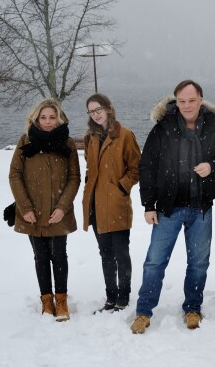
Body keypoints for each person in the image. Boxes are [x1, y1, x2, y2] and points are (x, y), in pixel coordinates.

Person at [130, 80, 215, 333]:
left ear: (201, 100)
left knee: (199, 263)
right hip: (168, 209)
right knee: (155, 263)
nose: (187, 105)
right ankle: (144, 312)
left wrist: (213, 166)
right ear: (175, 102)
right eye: (182, 101)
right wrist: (148, 204)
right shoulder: (163, 128)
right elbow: (147, 166)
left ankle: (192, 307)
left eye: (192, 100)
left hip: (201, 209)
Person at [8, 98, 81, 321]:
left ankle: (61, 301)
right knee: (40, 256)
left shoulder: (67, 144)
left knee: (59, 256)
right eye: (43, 117)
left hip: (59, 212)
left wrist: (62, 207)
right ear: (36, 119)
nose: (48, 122)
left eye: (52, 117)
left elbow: (74, 178)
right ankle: (46, 301)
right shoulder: (25, 141)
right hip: (32, 212)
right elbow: (15, 175)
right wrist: (25, 207)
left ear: (59, 119)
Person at [82, 93, 141, 313]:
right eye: (91, 111)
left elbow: (136, 169)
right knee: (105, 254)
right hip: (96, 206)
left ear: (108, 109)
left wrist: (121, 188)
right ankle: (110, 298)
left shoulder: (125, 135)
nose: (95, 114)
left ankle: (123, 298)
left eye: (98, 109)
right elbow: (91, 168)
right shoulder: (90, 138)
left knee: (121, 253)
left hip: (117, 205)